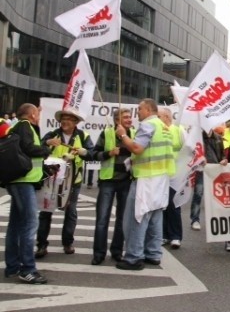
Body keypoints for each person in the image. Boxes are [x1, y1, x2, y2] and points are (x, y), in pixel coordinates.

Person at [115, 99, 175, 270]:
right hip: (161, 177)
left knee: (137, 217)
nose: (137, 113)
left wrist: (123, 135)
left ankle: (133, 257)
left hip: (146, 178)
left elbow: (137, 148)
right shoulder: (164, 127)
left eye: (140, 109)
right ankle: (153, 253)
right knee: (155, 217)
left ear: (148, 110)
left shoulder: (148, 125)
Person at [36, 109, 95, 258]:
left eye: (69, 119)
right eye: (63, 118)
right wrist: (47, 143)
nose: (65, 121)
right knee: (46, 212)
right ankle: (41, 245)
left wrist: (83, 152)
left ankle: (67, 242)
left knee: (71, 211)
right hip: (51, 180)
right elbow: (37, 149)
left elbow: (92, 154)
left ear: (76, 122)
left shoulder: (83, 136)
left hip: (73, 181)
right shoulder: (52, 135)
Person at [4, 103, 50, 284]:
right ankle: (28, 269)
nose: (39, 116)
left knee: (15, 225)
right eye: (37, 113)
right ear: (31, 114)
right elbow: (29, 148)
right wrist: (46, 150)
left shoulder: (18, 127)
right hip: (24, 181)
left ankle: (13, 267)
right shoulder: (25, 126)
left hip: (20, 181)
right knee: (30, 224)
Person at [91, 108, 135, 265]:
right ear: (117, 120)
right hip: (107, 181)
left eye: (130, 117)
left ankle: (116, 251)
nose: (130, 120)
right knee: (102, 219)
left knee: (122, 219)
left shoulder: (134, 134)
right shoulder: (107, 133)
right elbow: (93, 154)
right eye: (126, 117)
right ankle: (98, 253)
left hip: (127, 181)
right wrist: (109, 153)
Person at [158, 108, 185, 250]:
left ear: (167, 117)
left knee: (174, 205)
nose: (157, 118)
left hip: (176, 173)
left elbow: (188, 148)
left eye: (159, 116)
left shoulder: (178, 130)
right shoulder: (157, 129)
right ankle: (163, 234)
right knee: (162, 204)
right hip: (160, 172)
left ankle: (175, 236)